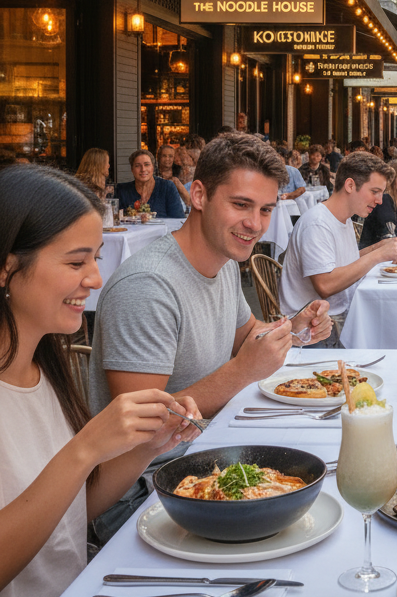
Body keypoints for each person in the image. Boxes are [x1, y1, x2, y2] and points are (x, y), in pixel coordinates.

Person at [0, 165, 203, 597]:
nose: (95, 278)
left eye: (95, 258)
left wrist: (147, 446)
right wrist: (85, 448)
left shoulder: (46, 366)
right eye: (77, 262)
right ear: (6, 269)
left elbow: (72, 513)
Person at [89, 133, 332, 423]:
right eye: (240, 204)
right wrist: (243, 371)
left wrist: (293, 329)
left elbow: (246, 335)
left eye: (265, 209)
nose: (255, 224)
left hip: (221, 432)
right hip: (179, 451)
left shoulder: (225, 262)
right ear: (199, 196)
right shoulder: (146, 287)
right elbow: (139, 425)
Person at [279, 152, 397, 345]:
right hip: (315, 334)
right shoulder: (317, 223)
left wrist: (379, 247)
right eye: (375, 191)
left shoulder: (342, 218)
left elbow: (345, 262)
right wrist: (378, 255)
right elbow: (326, 285)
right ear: (350, 185)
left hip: (338, 321)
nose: (380, 200)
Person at [114, 149, 186, 219]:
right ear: (132, 169)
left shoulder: (167, 187)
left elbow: (178, 219)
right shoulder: (122, 190)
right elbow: (115, 219)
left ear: (153, 167)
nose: (143, 169)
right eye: (137, 166)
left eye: (147, 165)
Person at [156, 144, 191, 209]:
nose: (167, 159)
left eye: (170, 156)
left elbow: (188, 200)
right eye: (164, 156)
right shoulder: (153, 171)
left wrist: (177, 183)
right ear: (158, 157)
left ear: (174, 158)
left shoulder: (180, 171)